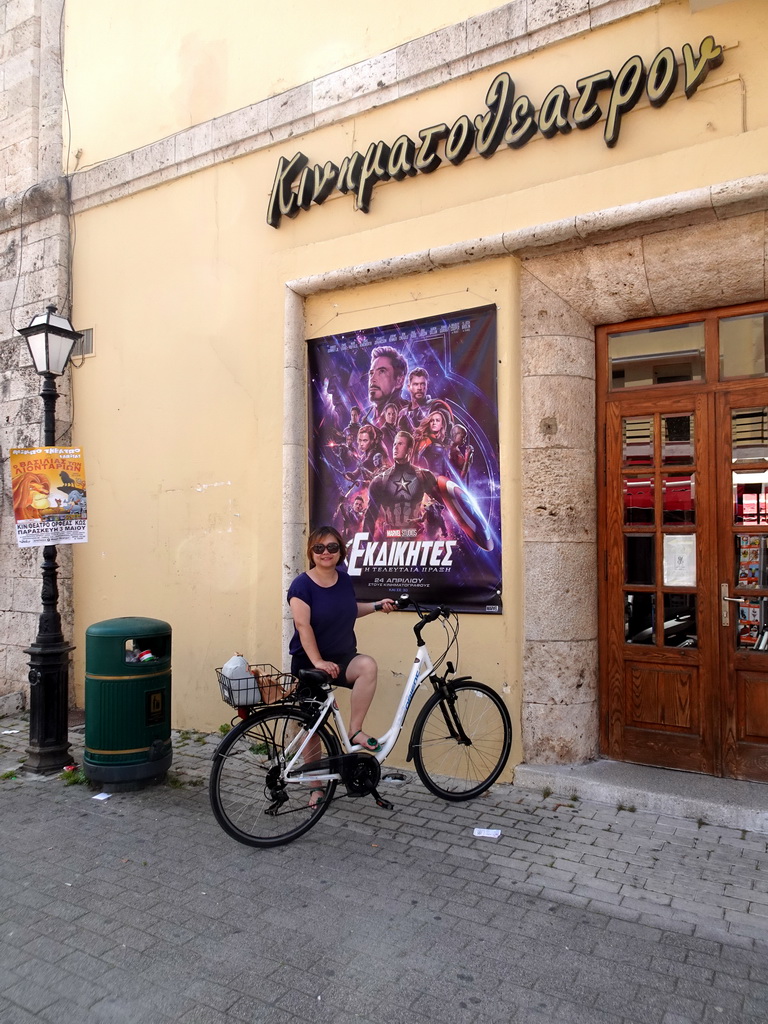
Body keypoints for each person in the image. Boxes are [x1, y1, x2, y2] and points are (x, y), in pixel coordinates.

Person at [288, 526, 396, 806]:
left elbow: (349, 608)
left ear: (341, 552)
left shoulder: (344, 580)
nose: (326, 553)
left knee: (367, 667)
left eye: (332, 547)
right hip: (310, 663)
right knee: (313, 727)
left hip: (343, 657)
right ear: (311, 552)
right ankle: (316, 787)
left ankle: (355, 731)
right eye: (319, 548)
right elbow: (302, 625)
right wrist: (318, 662)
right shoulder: (302, 584)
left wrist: (375, 606)